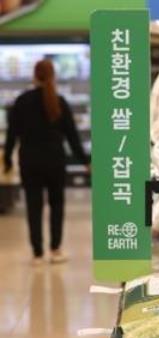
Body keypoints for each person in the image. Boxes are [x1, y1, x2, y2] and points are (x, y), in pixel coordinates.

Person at [3, 59, 90, 266]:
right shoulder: (59, 102)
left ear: (34, 76)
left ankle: (37, 253)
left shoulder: (21, 101)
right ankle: (55, 249)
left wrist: (7, 159)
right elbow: (72, 136)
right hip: (55, 161)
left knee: (34, 207)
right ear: (53, 76)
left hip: (29, 161)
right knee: (56, 204)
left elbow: (12, 135)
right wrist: (85, 161)